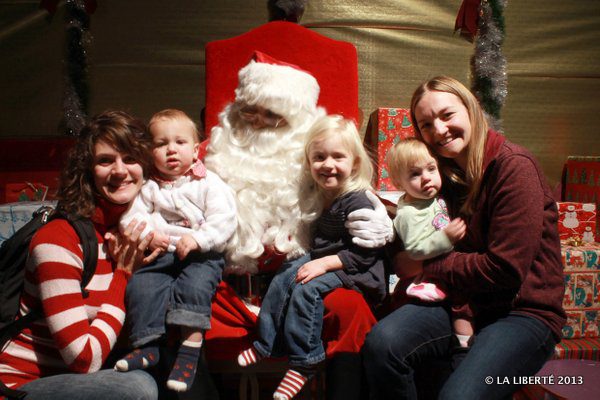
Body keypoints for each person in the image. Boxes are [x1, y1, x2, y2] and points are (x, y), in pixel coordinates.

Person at [204, 51, 392, 400]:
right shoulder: (211, 154)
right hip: (227, 290)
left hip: (300, 279)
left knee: (350, 311)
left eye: (272, 114)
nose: (257, 122)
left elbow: (349, 187)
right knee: (180, 300)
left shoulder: (313, 163)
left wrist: (378, 217)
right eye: (249, 110)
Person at [362, 76, 566, 399]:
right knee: (382, 345)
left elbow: (504, 268)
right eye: (426, 124)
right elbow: (405, 255)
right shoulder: (442, 177)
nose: (439, 130)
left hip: (521, 313)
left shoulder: (513, 167)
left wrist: (428, 265)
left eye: (447, 115)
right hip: (460, 302)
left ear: (470, 108)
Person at [0, 110, 161, 400]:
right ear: (87, 170)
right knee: (137, 388)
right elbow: (83, 359)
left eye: (130, 158)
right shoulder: (60, 239)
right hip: (22, 385)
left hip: (86, 375)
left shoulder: (136, 234)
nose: (120, 170)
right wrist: (123, 274)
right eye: (105, 160)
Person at [236, 115, 386, 400]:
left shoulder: (357, 200)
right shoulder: (320, 193)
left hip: (357, 271)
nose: (328, 164)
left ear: (354, 163)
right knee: (286, 274)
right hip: (328, 260)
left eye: (338, 157)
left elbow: (367, 252)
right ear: (308, 161)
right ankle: (266, 344)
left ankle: (305, 362)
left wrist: (324, 263)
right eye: (319, 157)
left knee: (307, 287)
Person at [114, 109, 237, 392]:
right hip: (161, 252)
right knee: (141, 286)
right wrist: (150, 235)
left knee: (194, 287)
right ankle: (148, 345)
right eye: (161, 143)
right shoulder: (148, 187)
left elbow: (225, 218)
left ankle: (190, 350)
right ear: (149, 151)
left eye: (180, 142)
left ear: (195, 150)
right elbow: (131, 217)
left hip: (200, 254)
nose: (171, 150)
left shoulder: (207, 182)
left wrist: (199, 240)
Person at [386, 138, 473, 354]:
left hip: (451, 265)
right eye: (414, 174)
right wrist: (446, 238)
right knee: (461, 305)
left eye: (431, 169)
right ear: (399, 184)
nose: (426, 178)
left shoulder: (434, 198)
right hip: (429, 277)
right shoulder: (408, 213)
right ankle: (463, 347)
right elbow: (415, 249)